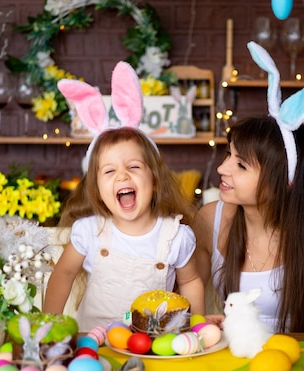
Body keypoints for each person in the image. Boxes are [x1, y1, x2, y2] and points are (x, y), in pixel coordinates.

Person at [193, 41, 304, 334]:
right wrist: (202, 323)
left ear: (283, 180)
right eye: (228, 156)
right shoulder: (211, 219)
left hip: (298, 364)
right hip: (232, 356)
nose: (222, 169)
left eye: (241, 165)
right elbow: (186, 297)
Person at [43, 65, 204, 332]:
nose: (122, 176)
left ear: (154, 179)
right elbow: (64, 274)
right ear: (96, 187)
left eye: (133, 167)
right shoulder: (90, 231)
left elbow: (191, 281)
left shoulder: (176, 236)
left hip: (152, 346)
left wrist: (197, 327)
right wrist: (49, 324)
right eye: (109, 171)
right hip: (94, 344)